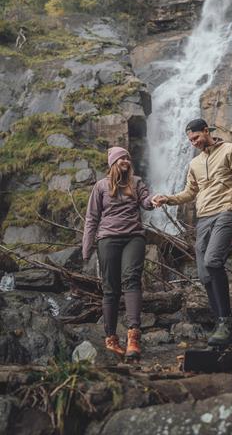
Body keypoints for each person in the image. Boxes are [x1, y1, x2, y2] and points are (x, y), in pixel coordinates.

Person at [152, 118, 232, 347]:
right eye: (190, 140)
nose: (194, 143)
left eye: (196, 137)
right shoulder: (194, 163)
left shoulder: (230, 149)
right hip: (204, 217)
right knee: (204, 273)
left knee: (213, 261)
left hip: (227, 211)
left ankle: (226, 321)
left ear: (206, 131)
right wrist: (167, 198)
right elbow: (189, 193)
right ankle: (221, 325)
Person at [82, 146, 154, 359]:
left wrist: (155, 200)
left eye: (128, 158)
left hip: (134, 236)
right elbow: (91, 218)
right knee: (110, 288)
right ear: (113, 162)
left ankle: (133, 337)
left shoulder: (136, 182)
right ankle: (111, 338)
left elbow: (146, 201)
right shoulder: (100, 186)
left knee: (131, 280)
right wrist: (86, 249)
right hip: (108, 239)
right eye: (122, 157)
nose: (126, 160)